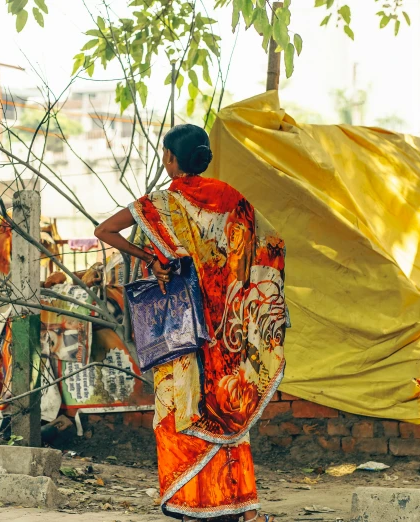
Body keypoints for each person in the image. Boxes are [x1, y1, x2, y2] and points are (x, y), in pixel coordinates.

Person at [95, 124, 288, 521]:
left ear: (170, 158)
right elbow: (272, 245)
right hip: (228, 330)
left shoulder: (160, 203)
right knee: (229, 412)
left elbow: (105, 230)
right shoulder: (232, 199)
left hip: (182, 327)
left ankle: (193, 505)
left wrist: (152, 259)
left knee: (181, 410)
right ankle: (244, 511)